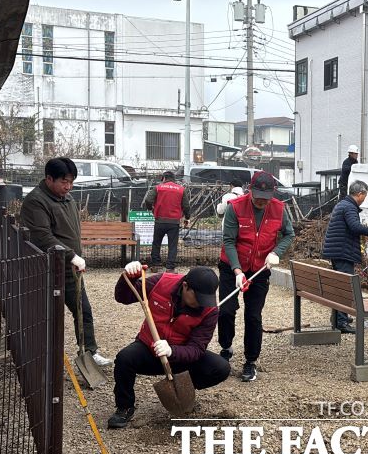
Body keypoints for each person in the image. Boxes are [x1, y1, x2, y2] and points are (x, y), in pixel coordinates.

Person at [108, 263, 230, 429]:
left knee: (221, 367)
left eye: (205, 298)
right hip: (149, 348)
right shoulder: (161, 283)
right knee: (124, 359)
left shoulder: (210, 310)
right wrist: (129, 277)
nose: (202, 303)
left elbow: (196, 349)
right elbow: (123, 297)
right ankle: (125, 406)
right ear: (186, 286)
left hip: (180, 356)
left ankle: (184, 385)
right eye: (199, 298)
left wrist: (172, 351)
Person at [20, 157, 112, 366]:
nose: (68, 187)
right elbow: (42, 236)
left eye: (71, 182)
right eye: (64, 182)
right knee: (48, 315)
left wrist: (73, 256)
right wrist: (72, 255)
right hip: (47, 269)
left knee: (83, 310)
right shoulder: (36, 201)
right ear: (49, 179)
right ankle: (42, 356)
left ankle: (90, 351)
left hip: (70, 268)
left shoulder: (68, 199)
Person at [218, 170, 295, 382]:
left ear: (273, 193)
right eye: (258, 198)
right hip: (231, 267)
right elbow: (229, 240)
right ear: (250, 190)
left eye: (266, 198)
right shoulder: (235, 207)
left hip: (260, 268)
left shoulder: (279, 209)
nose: (262, 202)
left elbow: (289, 234)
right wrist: (236, 270)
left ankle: (251, 361)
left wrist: (275, 253)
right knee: (226, 310)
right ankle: (226, 347)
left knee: (253, 315)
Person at [322, 180, 368, 334]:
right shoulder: (350, 207)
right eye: (364, 196)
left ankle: (339, 317)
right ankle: (341, 322)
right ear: (360, 194)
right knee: (345, 287)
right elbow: (354, 226)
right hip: (343, 252)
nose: (364, 199)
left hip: (337, 251)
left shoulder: (342, 204)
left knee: (340, 285)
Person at [143, 170, 190, 273]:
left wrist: (151, 209)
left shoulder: (158, 188)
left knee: (156, 243)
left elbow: (148, 200)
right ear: (174, 179)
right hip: (174, 222)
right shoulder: (181, 189)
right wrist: (187, 217)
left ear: (164, 178)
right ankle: (170, 267)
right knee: (172, 245)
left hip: (159, 220)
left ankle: (156, 265)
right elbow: (186, 206)